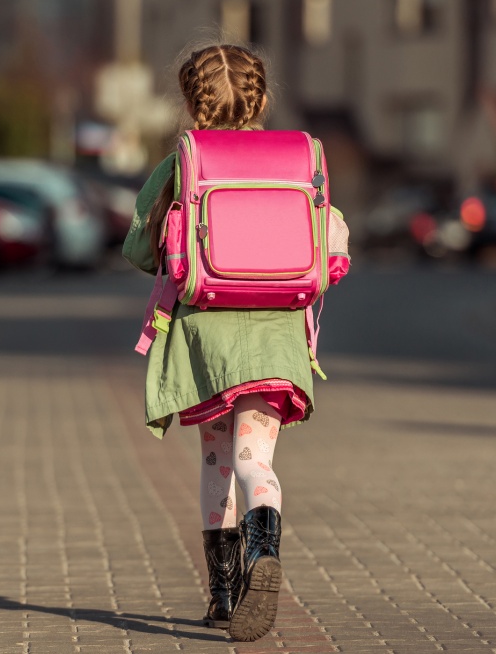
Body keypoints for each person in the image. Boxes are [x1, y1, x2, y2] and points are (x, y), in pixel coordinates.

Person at [122, 43, 349, 642]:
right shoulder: (299, 160)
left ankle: (223, 594)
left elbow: (142, 249)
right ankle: (265, 551)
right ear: (262, 100)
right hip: (277, 337)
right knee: (257, 461)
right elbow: (331, 248)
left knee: (216, 461)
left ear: (192, 104)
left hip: (207, 336)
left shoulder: (183, 163)